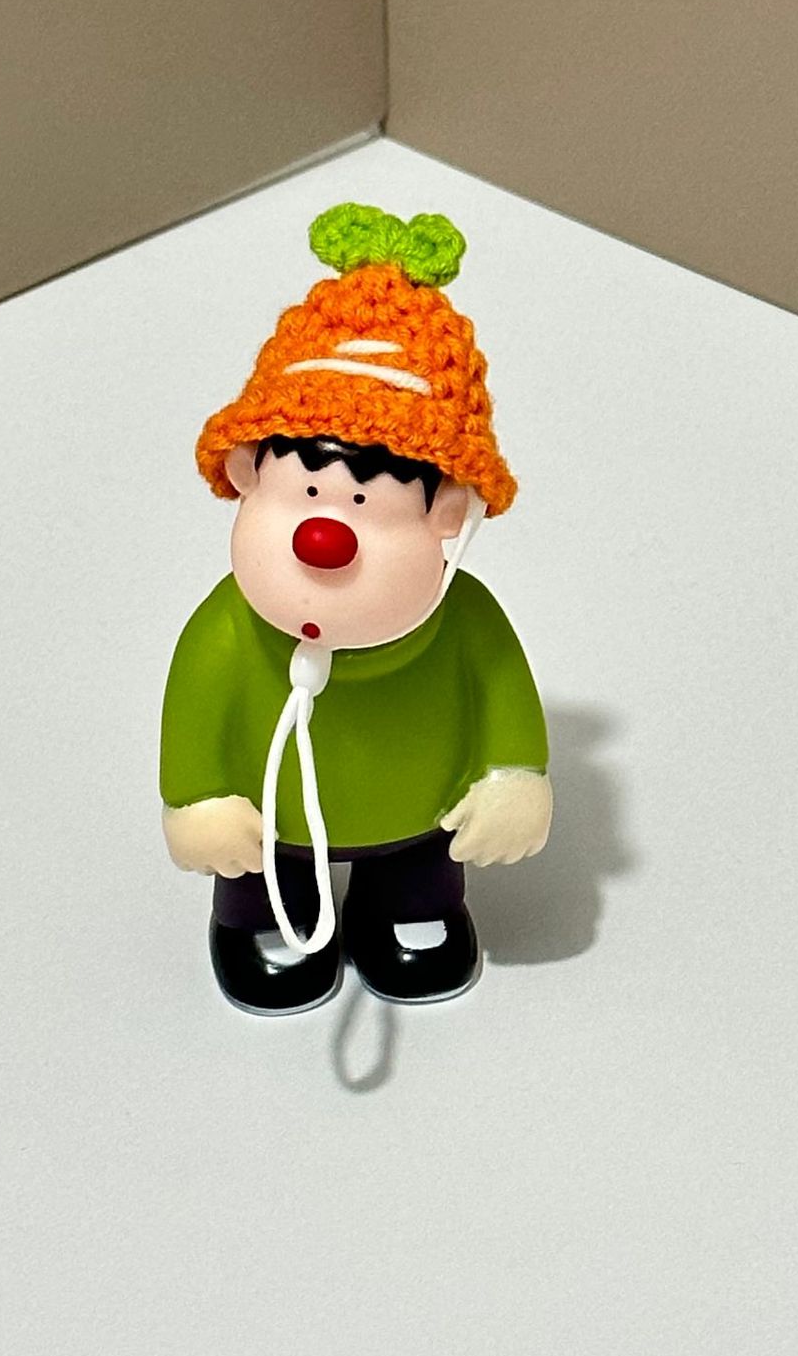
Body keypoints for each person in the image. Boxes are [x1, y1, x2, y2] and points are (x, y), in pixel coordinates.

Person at [160, 204, 551, 1013]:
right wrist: (197, 798)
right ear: (246, 475)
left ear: (449, 514)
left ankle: (407, 908)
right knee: (263, 877)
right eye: (303, 492)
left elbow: (503, 693)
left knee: (417, 878)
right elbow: (195, 713)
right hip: (272, 832)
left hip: (419, 820)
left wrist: (514, 777)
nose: (324, 539)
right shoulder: (226, 631)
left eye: (368, 502)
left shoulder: (466, 622)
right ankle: (266, 917)